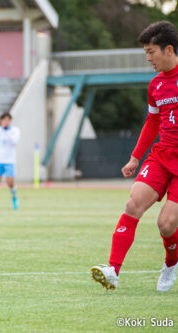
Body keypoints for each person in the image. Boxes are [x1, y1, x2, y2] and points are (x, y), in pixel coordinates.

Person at [91, 21, 178, 292]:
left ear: (169, 49)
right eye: (146, 53)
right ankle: (113, 271)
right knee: (133, 205)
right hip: (162, 156)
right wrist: (135, 157)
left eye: (151, 52)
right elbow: (152, 124)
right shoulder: (155, 86)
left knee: (166, 224)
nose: (148, 58)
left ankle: (171, 262)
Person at [0, 112, 20, 211]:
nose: (5, 122)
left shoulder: (15, 131)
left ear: (10, 121)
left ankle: (14, 198)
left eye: (7, 120)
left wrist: (7, 131)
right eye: (4, 120)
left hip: (10, 160)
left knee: (10, 182)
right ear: (1, 120)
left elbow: (14, 141)